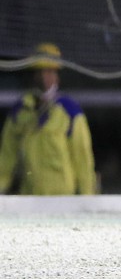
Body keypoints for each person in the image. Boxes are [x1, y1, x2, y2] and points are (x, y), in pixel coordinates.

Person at [0, 43, 97, 195]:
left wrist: (87, 197)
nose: (47, 77)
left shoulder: (70, 111)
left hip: (62, 200)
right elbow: (6, 158)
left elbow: (83, 158)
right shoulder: (19, 112)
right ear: (33, 75)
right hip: (30, 199)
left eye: (52, 72)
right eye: (42, 71)